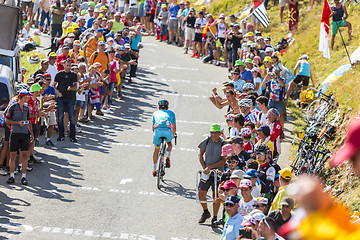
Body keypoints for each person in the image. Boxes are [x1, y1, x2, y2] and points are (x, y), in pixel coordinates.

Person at [198, 124, 225, 225]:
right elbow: (200, 153)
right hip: (207, 172)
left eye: (215, 133)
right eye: (211, 132)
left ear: (219, 133)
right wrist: (204, 167)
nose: (213, 134)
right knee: (201, 193)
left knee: (216, 196)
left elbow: (223, 161)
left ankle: (215, 217)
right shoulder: (207, 140)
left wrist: (210, 167)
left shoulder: (223, 143)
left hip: (218, 173)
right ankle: (206, 212)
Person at [5, 90, 34, 185]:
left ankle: (24, 177)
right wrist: (17, 123)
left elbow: (28, 121)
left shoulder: (26, 108)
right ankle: (12, 176)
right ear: (22, 97)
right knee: (13, 155)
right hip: (15, 133)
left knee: (25, 155)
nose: (28, 98)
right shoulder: (13, 107)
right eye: (27, 97)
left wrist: (31, 134)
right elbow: (7, 120)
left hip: (24, 134)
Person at [52, 59, 78, 142]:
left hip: (70, 98)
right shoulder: (59, 74)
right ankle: (61, 135)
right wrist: (58, 93)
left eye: (70, 65)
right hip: (61, 98)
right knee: (60, 117)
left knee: (72, 117)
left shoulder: (73, 75)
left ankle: (72, 136)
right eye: (67, 65)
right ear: (64, 65)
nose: (68, 67)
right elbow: (53, 85)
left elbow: (76, 86)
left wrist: (71, 88)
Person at [152, 99, 176, 176]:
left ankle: (154, 170)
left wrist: (155, 136)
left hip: (157, 132)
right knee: (169, 143)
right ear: (167, 107)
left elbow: (153, 127)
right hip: (167, 132)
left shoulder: (155, 113)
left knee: (156, 149)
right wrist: (172, 136)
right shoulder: (171, 113)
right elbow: (174, 128)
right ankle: (168, 157)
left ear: (158, 107)